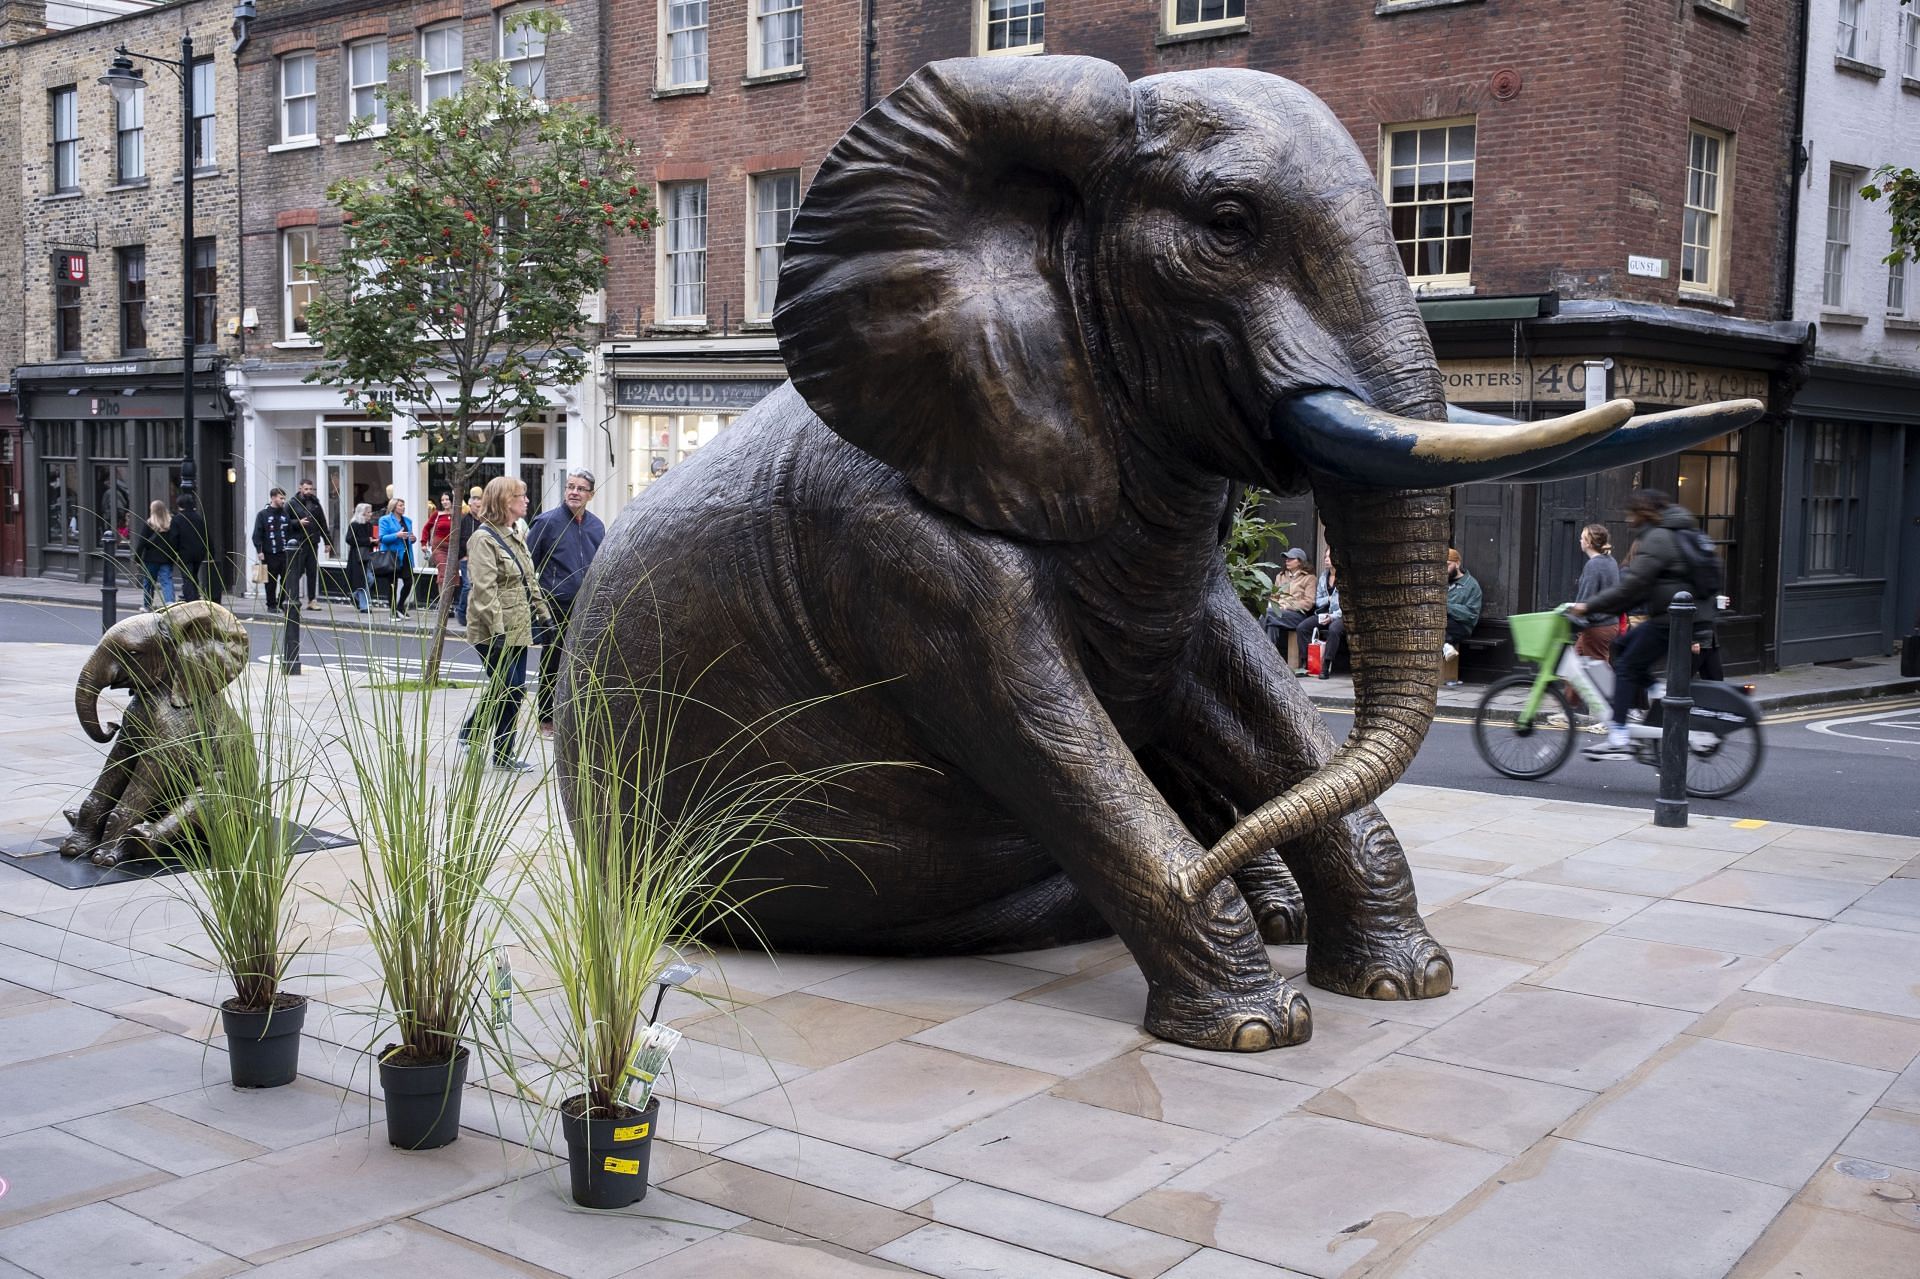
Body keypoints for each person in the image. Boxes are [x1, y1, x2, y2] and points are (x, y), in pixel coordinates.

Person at [1569, 489, 1719, 760]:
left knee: (1626, 666)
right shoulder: (1678, 530)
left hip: (1674, 622)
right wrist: (1615, 608)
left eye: (1631, 512)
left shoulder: (1659, 537)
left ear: (1643, 512)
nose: (1628, 519)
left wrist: (1589, 606)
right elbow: (1639, 589)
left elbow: (1633, 586)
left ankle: (1618, 736)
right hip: (1681, 617)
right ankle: (1655, 690)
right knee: (1622, 646)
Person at [461, 476, 550, 772]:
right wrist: (498, 632)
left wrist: (544, 615)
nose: (526, 500)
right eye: (520, 495)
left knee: (510, 687)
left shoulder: (515, 534)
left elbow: (529, 579)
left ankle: (494, 747)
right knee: (510, 687)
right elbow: (485, 591)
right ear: (504, 501)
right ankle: (483, 740)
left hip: (519, 627)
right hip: (491, 630)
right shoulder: (483, 539)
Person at [527, 469, 607, 733]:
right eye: (570, 486)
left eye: (580, 488)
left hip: (586, 607)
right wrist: (534, 608)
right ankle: (547, 717)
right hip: (554, 605)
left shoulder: (597, 526)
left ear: (591, 495)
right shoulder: (546, 522)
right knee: (553, 662)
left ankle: (575, 716)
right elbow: (527, 568)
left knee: (583, 663)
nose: (574, 492)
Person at [1572, 523, 1620, 661]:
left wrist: (1575, 616)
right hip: (1609, 624)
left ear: (1588, 543)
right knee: (1571, 671)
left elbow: (1586, 598)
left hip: (1598, 626)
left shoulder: (1593, 565)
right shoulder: (1610, 561)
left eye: (1582, 538)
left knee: (1598, 674)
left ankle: (1618, 683)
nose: (1580, 541)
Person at [1262, 547, 1317, 666]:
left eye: (1291, 559)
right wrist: (1276, 605)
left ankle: (1261, 652)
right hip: (1276, 615)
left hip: (1298, 616)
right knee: (1271, 622)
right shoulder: (1280, 576)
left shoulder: (1310, 578)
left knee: (1266, 614)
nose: (1287, 561)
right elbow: (1274, 596)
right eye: (1286, 558)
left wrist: (1288, 606)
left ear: (1300, 561)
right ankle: (1269, 659)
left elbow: (1309, 602)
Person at [287, 477, 333, 610]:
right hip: (299, 542)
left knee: (312, 572)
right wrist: (297, 522)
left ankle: (312, 600)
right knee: (298, 571)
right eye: (306, 489)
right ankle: (291, 597)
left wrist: (327, 541)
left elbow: (322, 523)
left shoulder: (315, 503)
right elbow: (284, 522)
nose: (308, 492)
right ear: (300, 488)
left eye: (310, 489)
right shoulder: (292, 503)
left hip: (313, 541)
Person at [251, 487, 295, 613]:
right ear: (273, 497)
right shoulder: (263, 515)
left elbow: (290, 532)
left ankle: (282, 602)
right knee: (270, 581)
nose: (283, 501)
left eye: (284, 498)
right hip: (269, 553)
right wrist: (259, 551)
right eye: (281, 498)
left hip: (284, 552)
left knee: (287, 579)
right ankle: (271, 604)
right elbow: (257, 534)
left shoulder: (285, 514)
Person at [376, 497, 418, 618]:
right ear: (393, 507)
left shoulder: (408, 521)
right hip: (392, 556)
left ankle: (400, 605)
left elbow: (409, 537)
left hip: (405, 556)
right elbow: (382, 538)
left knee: (409, 582)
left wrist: (413, 539)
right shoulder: (385, 520)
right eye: (400, 505)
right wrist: (397, 535)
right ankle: (393, 612)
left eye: (403, 505)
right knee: (392, 584)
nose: (403, 507)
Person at [171, 494, 214, 604]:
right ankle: (195, 595)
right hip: (199, 553)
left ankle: (191, 599)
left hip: (184, 553)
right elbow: (206, 535)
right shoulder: (199, 518)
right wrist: (211, 552)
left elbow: (174, 538)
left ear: (180, 505)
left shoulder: (177, 519)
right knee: (194, 575)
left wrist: (173, 553)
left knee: (187, 577)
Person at [133, 500, 175, 609]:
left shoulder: (149, 524)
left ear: (153, 510)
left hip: (151, 559)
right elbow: (175, 541)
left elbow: (141, 543)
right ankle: (170, 602)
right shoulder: (171, 524)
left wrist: (137, 559)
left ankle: (147, 605)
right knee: (167, 581)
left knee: (149, 583)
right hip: (166, 559)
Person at [1443, 549, 1482, 661]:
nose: (1444, 570)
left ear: (1457, 563)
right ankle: (1445, 646)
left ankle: (1445, 645)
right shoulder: (1441, 581)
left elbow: (1471, 614)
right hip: (1443, 621)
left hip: (1461, 625)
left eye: (1448, 565)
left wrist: (1446, 607)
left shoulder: (1471, 585)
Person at [1311, 555, 1344, 679]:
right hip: (1325, 613)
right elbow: (1318, 601)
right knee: (1303, 627)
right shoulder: (1323, 577)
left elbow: (1347, 605)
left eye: (1329, 557)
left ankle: (1326, 665)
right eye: (1325, 556)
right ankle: (1306, 664)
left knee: (1334, 629)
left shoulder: (1345, 577)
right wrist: (1328, 599)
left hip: (1342, 615)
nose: (1326, 559)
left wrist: (1333, 616)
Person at [455, 486, 484, 626]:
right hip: (467, 559)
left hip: (482, 560)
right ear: (470, 504)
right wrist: (462, 556)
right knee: (467, 585)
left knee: (479, 587)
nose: (478, 508)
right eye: (475, 504)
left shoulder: (485, 522)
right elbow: (458, 539)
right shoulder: (464, 520)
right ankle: (461, 612)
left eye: (480, 505)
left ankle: (475, 615)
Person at [343, 503, 377, 613]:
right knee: (363, 581)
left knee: (370, 579)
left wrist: (374, 541)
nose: (370, 514)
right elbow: (349, 539)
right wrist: (368, 541)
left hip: (367, 555)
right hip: (357, 556)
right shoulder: (354, 525)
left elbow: (369, 540)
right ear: (362, 513)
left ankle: (355, 594)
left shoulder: (369, 525)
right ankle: (364, 606)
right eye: (368, 512)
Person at [424, 491, 455, 599]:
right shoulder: (437, 514)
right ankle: (443, 601)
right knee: (443, 572)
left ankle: (448, 601)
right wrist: (424, 543)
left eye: (447, 499)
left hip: (452, 548)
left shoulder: (457, 515)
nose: (445, 502)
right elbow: (426, 528)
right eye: (442, 500)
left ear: (452, 500)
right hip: (439, 548)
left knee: (452, 575)